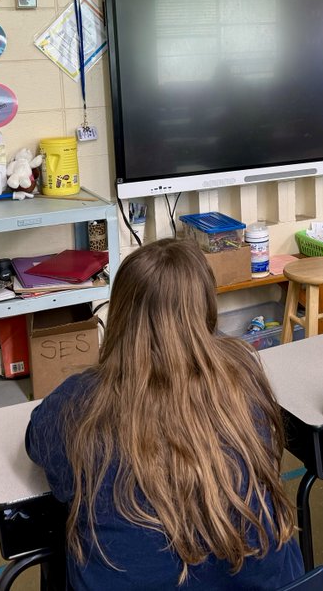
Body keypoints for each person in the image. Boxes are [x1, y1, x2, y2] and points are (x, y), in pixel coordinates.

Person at [25, 238, 302, 590]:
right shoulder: (243, 375)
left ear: (121, 313)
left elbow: (38, 442)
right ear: (206, 308)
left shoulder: (79, 402)